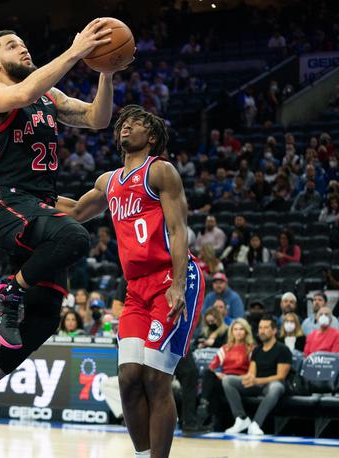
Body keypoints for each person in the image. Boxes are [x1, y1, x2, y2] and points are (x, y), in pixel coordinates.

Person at [0, 21, 121, 448]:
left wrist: (107, 69)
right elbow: (21, 95)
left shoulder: (49, 96)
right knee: (78, 237)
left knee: (43, 318)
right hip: (7, 202)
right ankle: (5, 293)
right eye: (12, 46)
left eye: (24, 44)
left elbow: (98, 119)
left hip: (39, 206)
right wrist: (77, 50)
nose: (23, 49)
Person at [55, 104, 204, 457]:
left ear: (150, 137)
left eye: (135, 124)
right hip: (136, 288)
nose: (126, 127)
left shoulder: (161, 172)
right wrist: (28, 197)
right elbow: (76, 211)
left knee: (155, 377)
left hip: (170, 279)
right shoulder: (109, 182)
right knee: (127, 378)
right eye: (123, 123)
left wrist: (179, 283)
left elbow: (177, 229)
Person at [223, 316, 291, 435]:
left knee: (276, 387)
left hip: (271, 385)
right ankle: (241, 419)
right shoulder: (257, 350)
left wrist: (256, 381)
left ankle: (256, 424)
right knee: (228, 380)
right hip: (257, 385)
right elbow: (251, 373)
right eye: (260, 328)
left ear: (274, 330)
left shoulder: (283, 349)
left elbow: (280, 376)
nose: (262, 331)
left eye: (266, 328)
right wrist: (246, 378)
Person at [198, 318, 255, 430]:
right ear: (231, 332)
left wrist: (230, 378)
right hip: (224, 379)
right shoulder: (225, 348)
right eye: (235, 329)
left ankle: (210, 417)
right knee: (209, 375)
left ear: (246, 331)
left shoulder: (251, 349)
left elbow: (252, 372)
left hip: (241, 381)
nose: (238, 332)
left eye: (241, 329)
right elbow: (212, 368)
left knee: (215, 387)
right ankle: (204, 405)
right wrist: (218, 374)